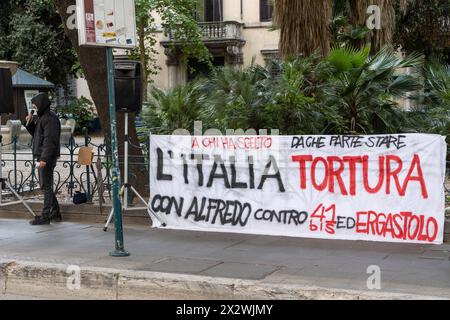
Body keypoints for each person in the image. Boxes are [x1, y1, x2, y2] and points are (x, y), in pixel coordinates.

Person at [25, 93, 61, 225]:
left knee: (46, 186)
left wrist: (44, 158)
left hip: (46, 157)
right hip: (42, 156)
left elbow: (49, 141)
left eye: (35, 105)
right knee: (46, 185)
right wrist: (29, 123)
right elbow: (37, 135)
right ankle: (55, 212)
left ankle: (46, 216)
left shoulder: (49, 119)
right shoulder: (42, 117)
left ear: (42, 104)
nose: (34, 108)